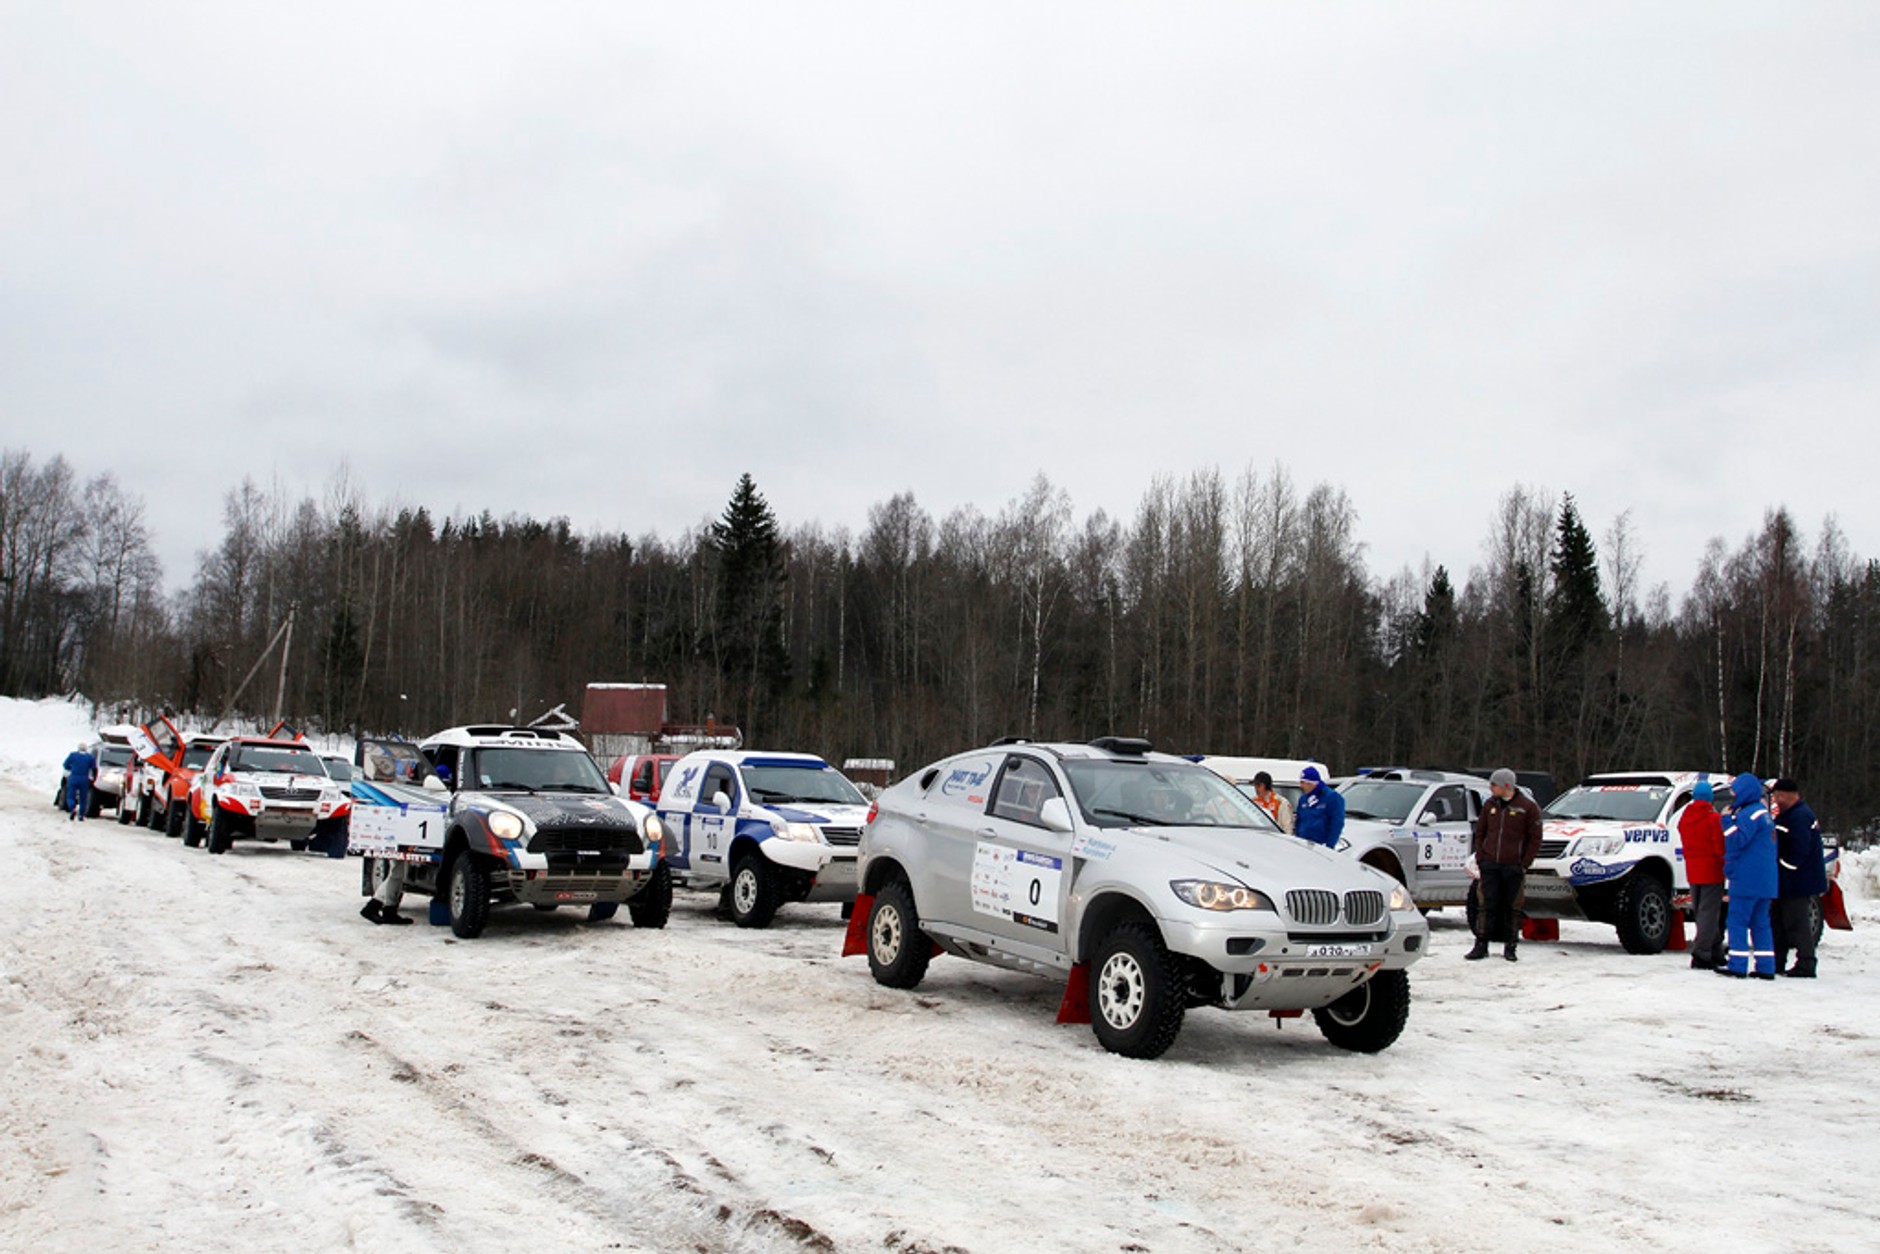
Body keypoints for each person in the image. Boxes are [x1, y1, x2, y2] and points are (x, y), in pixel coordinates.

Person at [1466, 768, 1544, 962]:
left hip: (1513, 866)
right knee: (1486, 904)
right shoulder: (1489, 805)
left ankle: (1510, 946)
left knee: (1512, 907)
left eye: (1494, 785)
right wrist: (1481, 857)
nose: (1491, 788)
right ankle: (1481, 944)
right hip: (1490, 864)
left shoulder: (1527, 807)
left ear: (1506, 786)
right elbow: (1481, 831)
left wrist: (1524, 863)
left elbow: (1535, 838)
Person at [1720, 773, 1777, 979]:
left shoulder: (1749, 814)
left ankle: (1737, 964)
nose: (1733, 795)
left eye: (1735, 791)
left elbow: (1736, 841)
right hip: (1765, 881)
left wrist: (1726, 820)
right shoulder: (1764, 813)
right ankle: (1766, 966)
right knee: (1760, 923)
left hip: (1747, 879)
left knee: (1737, 921)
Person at [1769, 778, 1826, 978]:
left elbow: (1798, 850)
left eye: (1777, 796)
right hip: (1788, 881)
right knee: (1779, 922)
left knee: (1797, 923)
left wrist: (1783, 866)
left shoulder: (1799, 816)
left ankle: (1806, 963)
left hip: (1797, 881)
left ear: (1786, 795)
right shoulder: (1790, 815)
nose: (1775, 800)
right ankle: (1777, 961)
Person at [1679, 779, 1727, 971]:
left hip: (1692, 868)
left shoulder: (1685, 816)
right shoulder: (1713, 818)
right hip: (1712, 869)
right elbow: (1719, 846)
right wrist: (1726, 864)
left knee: (1702, 911)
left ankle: (1715, 950)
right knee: (1709, 912)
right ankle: (1702, 953)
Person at [1292, 766, 1344, 848]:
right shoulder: (1303, 799)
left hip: (1321, 845)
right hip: (1304, 844)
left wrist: (1329, 845)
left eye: (1303, 782)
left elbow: (1337, 823)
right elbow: (1299, 821)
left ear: (1311, 783)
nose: (1300, 786)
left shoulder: (1332, 797)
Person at [61, 743, 97, 822]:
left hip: (73, 777)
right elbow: (94, 768)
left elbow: (65, 765)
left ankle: (72, 808)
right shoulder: (90, 757)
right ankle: (81, 815)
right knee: (83, 798)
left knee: (71, 795)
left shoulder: (73, 755)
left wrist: (71, 768)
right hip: (84, 778)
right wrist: (93, 778)